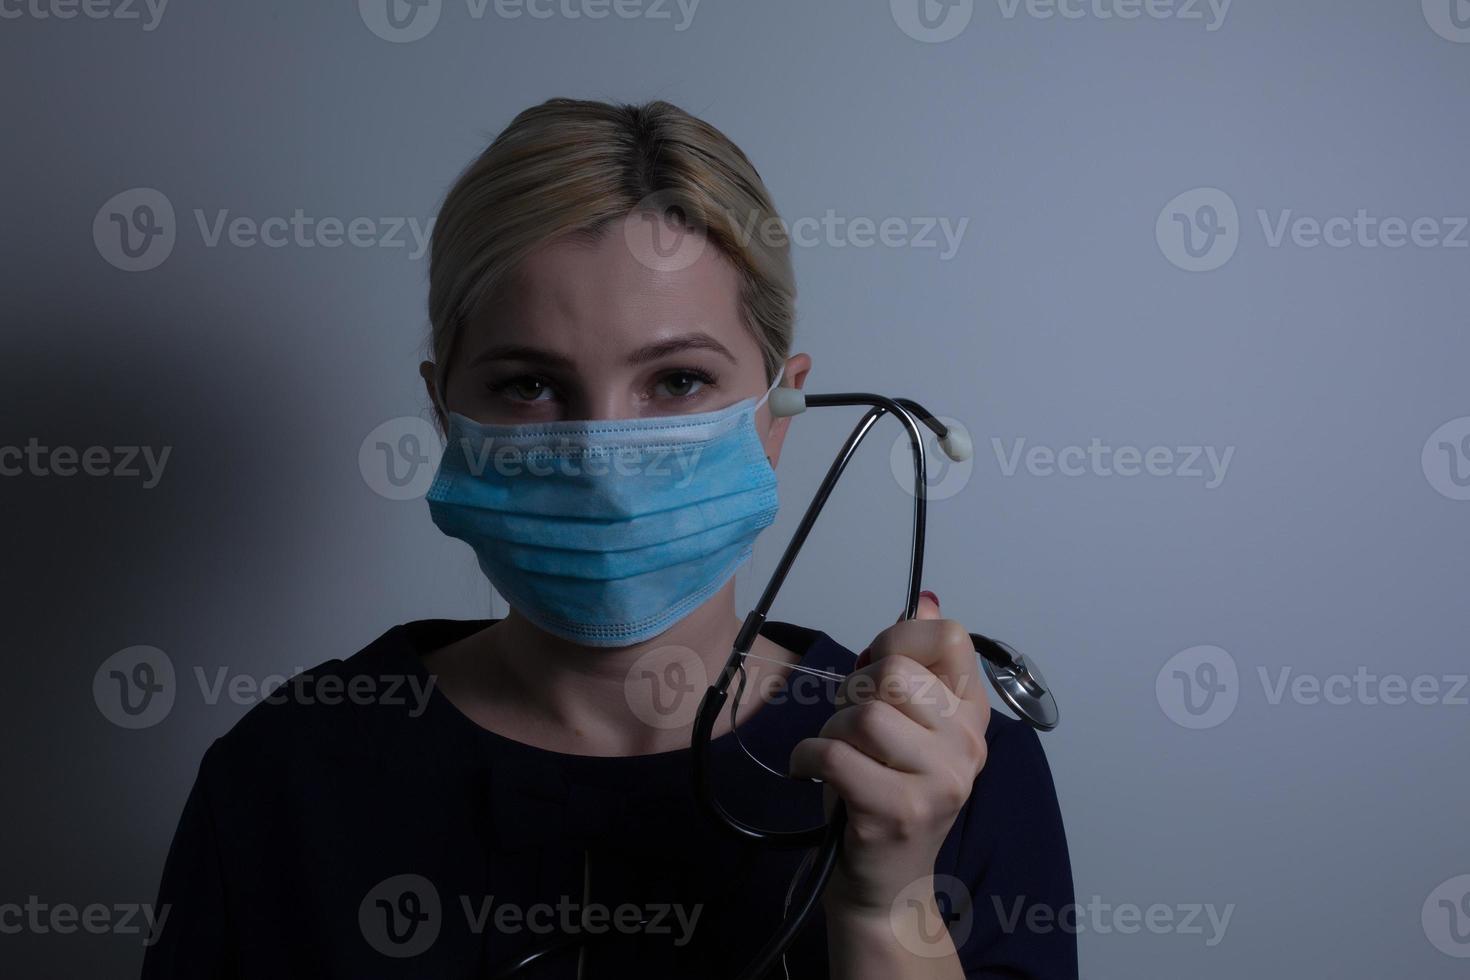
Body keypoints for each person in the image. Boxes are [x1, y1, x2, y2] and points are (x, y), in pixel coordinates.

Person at [142, 97, 1077, 979]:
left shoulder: (948, 774)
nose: (600, 458)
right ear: (443, 411)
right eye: (527, 385)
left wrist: (886, 907)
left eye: (676, 383)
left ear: (778, 412)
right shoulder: (284, 784)